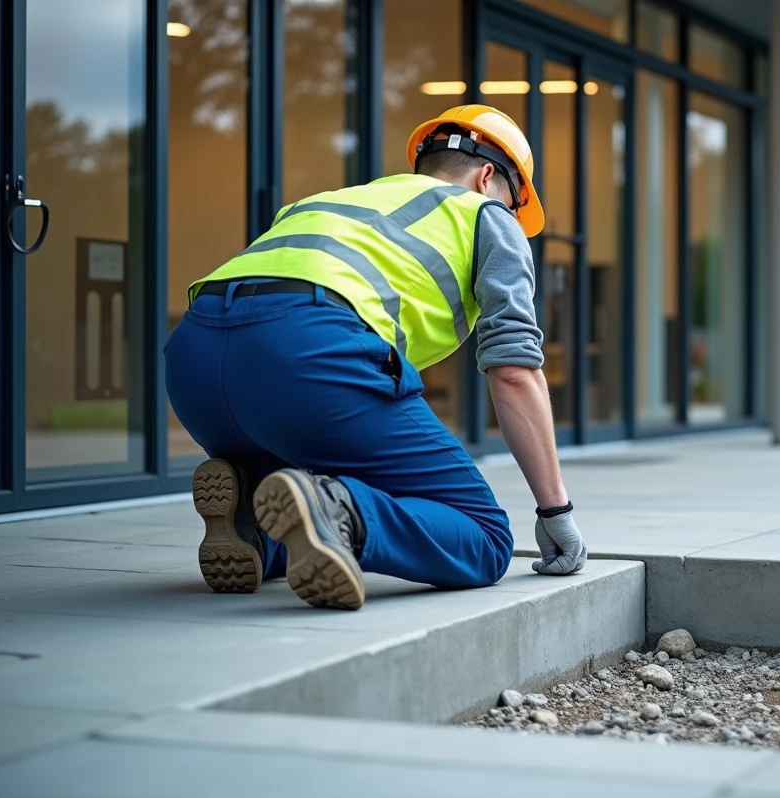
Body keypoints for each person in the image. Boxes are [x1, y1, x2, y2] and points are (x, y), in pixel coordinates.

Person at [164, 104, 587, 611]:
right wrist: (554, 508)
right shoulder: (485, 215)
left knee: (293, 474)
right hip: (308, 354)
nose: (514, 219)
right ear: (488, 176)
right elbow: (515, 371)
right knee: (484, 537)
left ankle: (252, 526)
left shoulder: (332, 201)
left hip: (194, 361)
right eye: (516, 205)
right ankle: (339, 511)